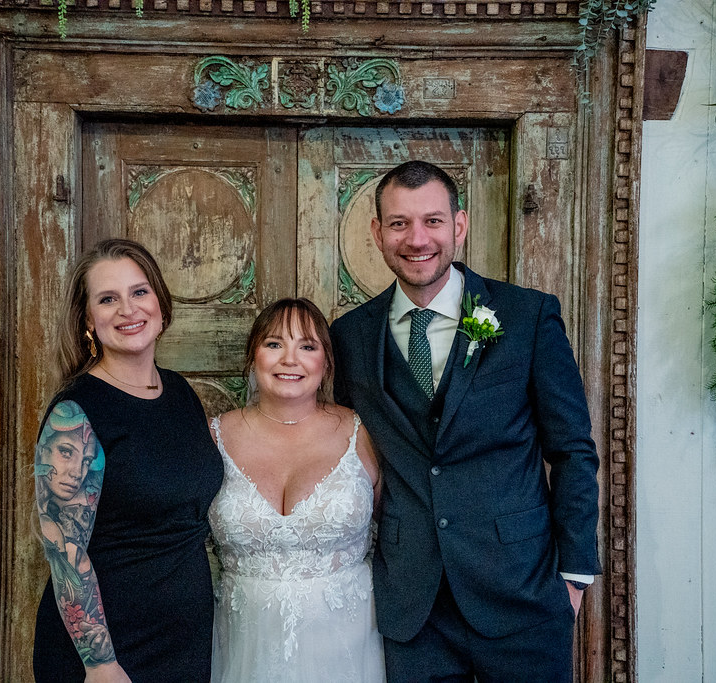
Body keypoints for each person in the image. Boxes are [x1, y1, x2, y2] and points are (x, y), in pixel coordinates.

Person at [330, 161, 601, 682]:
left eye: (432, 221)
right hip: (412, 606)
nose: (416, 239)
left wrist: (574, 575)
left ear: (459, 225)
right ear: (377, 233)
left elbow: (571, 449)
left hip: (523, 593)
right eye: (399, 223)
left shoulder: (528, 316)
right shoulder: (351, 335)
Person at [32, 238, 223, 683]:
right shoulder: (75, 413)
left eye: (139, 292)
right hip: (109, 652)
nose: (128, 310)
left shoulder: (179, 392)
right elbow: (65, 552)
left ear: (159, 301)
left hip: (183, 641)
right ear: (87, 319)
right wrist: (100, 664)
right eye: (107, 299)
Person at [208, 298, 385, 682]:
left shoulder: (363, 432)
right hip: (243, 648)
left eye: (307, 346)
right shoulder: (213, 437)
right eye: (274, 344)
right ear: (253, 354)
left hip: (348, 648)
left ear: (326, 362)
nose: (290, 359)